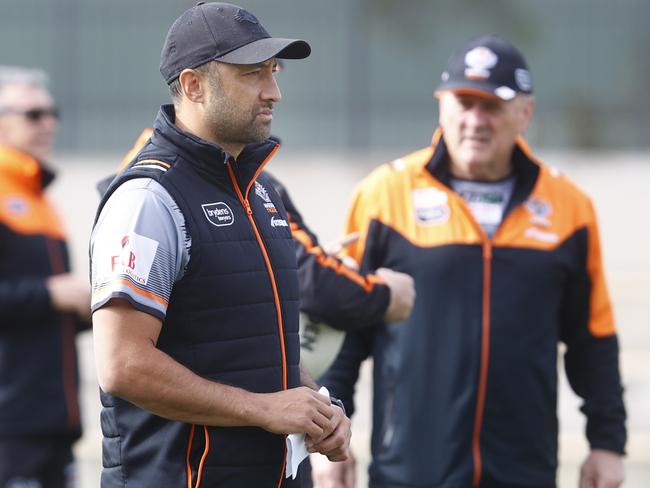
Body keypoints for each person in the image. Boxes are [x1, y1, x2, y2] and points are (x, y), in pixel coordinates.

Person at [317, 35, 627, 488]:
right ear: (442, 106)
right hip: (410, 470)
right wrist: (329, 438)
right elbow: (343, 331)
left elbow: (592, 339)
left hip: (524, 468)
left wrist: (607, 443)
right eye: (464, 102)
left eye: (492, 106)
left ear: (526, 113)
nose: (475, 121)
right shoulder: (383, 196)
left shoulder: (569, 208)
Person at [90, 3, 358, 486]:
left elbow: (249, 352)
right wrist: (264, 409)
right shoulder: (149, 199)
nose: (273, 92)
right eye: (253, 74)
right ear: (193, 85)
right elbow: (123, 365)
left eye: (273, 72)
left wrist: (316, 408)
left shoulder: (261, 193)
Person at [0, 66, 90, 487]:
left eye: (51, 113)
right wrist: (52, 293)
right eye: (33, 114)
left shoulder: (40, 198)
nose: (48, 123)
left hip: (55, 419)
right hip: (10, 425)